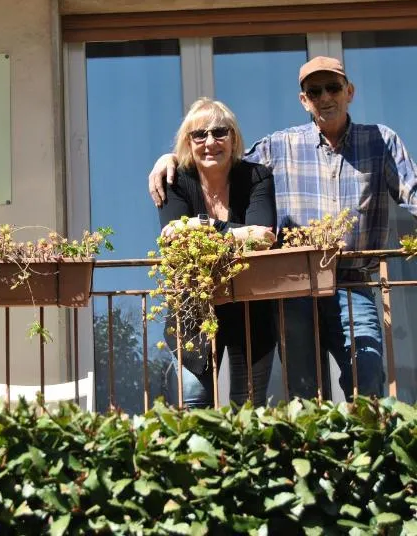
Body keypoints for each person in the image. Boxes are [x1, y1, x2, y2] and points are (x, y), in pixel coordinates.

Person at [149, 56, 417, 401]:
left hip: (353, 282)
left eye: (333, 88)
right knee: (304, 390)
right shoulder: (280, 145)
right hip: (295, 288)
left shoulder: (380, 141)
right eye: (314, 91)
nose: (325, 97)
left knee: (366, 377)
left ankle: (361, 436)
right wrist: (171, 158)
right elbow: (220, 160)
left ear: (349, 92)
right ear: (304, 100)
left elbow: (412, 193)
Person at [158, 97, 277, 408]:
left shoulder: (257, 176)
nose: (210, 142)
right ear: (188, 142)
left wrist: (202, 224)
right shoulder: (175, 181)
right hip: (194, 311)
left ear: (233, 138)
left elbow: (263, 237)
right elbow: (174, 239)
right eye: (199, 135)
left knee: (248, 409)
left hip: (252, 309)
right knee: (195, 406)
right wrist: (240, 233)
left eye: (219, 132)